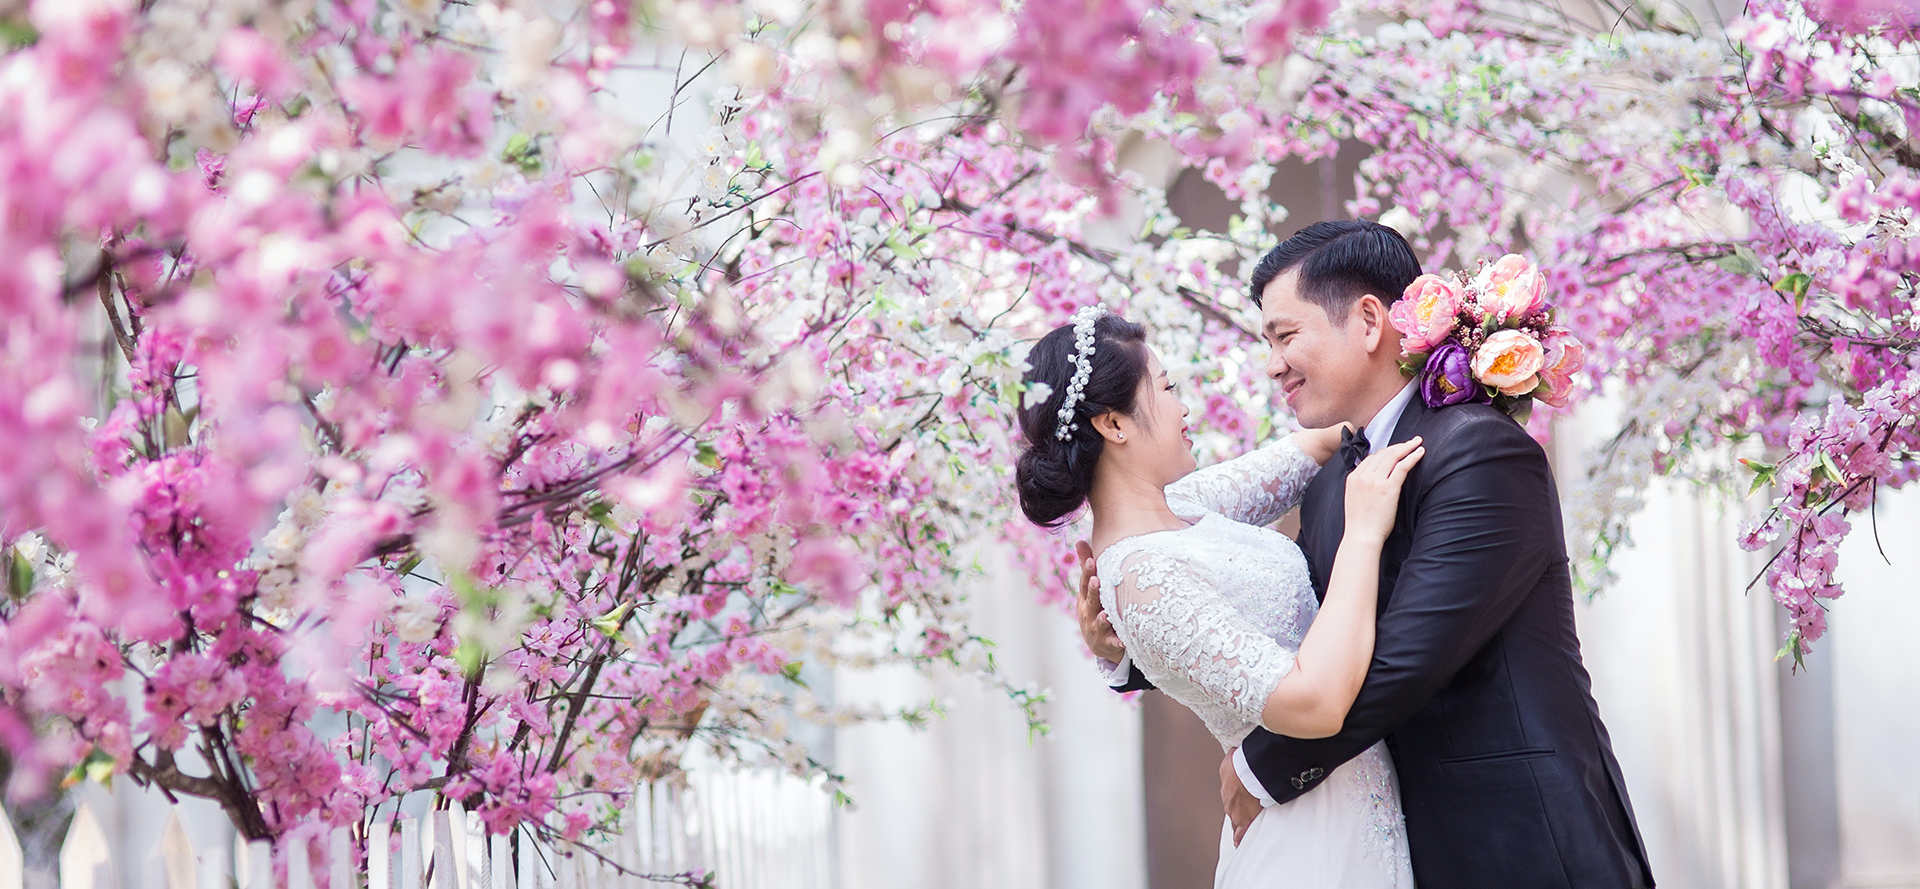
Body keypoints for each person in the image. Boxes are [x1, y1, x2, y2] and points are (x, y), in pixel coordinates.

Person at [1078, 220, 1655, 888]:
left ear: (1370, 319)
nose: (1273, 364)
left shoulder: (1478, 450)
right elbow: (1301, 628)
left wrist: (1259, 764)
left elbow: (1405, 658)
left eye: (1285, 336)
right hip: (1404, 844)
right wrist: (1135, 647)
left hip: (1521, 837)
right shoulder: (1334, 482)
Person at [1016, 305, 1426, 887]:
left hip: (1362, 801)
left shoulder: (1184, 505)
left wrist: (1441, 365)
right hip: (1309, 838)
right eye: (1166, 388)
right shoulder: (1141, 577)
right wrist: (1363, 533)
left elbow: (1310, 449)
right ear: (1113, 425)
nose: (1185, 408)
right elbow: (1313, 703)